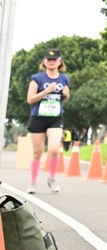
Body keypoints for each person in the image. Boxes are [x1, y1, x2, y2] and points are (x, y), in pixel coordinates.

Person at [26, 48, 70, 193]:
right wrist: (46, 91)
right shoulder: (37, 78)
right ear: (44, 62)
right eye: (49, 60)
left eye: (54, 60)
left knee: (54, 148)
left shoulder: (64, 79)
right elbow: (30, 99)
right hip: (38, 117)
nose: (51, 62)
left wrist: (65, 95)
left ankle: (51, 178)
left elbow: (64, 97)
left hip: (55, 118)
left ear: (59, 62)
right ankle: (33, 182)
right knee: (37, 153)